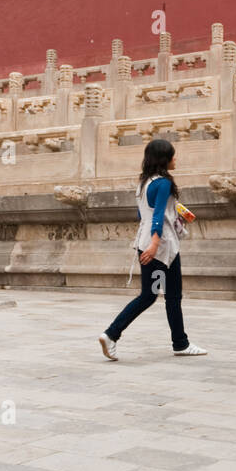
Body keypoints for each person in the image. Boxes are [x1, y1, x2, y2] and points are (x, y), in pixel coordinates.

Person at [99, 137, 206, 359]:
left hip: (146, 243)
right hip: (161, 248)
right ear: (163, 159)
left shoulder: (144, 183)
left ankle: (180, 342)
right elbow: (157, 216)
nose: (175, 159)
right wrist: (156, 244)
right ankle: (112, 334)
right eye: (172, 155)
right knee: (161, 295)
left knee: (161, 295)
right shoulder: (164, 182)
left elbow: (144, 213)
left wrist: (174, 213)